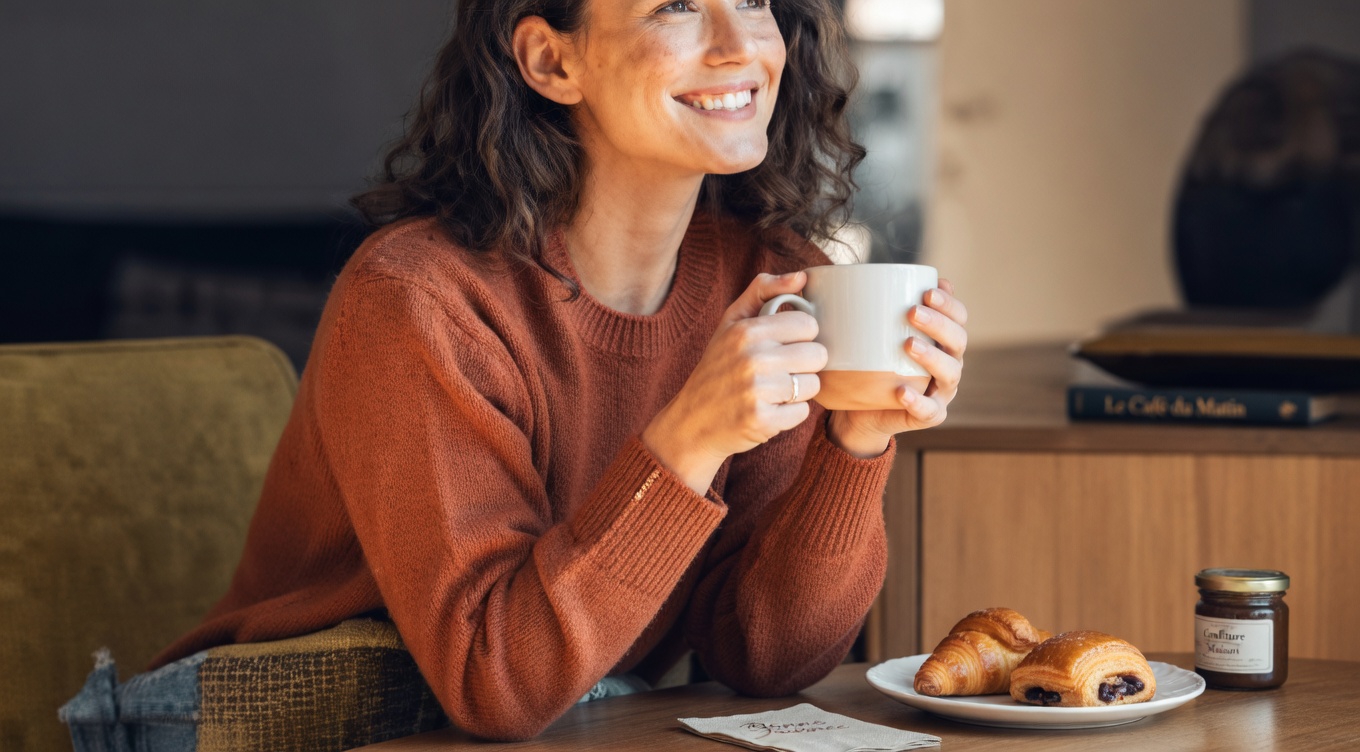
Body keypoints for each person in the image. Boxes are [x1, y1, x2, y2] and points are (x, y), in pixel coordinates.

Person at [69, 0, 968, 744]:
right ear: (550, 61)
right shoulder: (419, 298)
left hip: (565, 722)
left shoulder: (767, 279)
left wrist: (857, 441)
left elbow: (765, 656)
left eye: (755, 1)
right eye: (677, 8)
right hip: (290, 728)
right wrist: (688, 441)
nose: (741, 46)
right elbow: (490, 678)